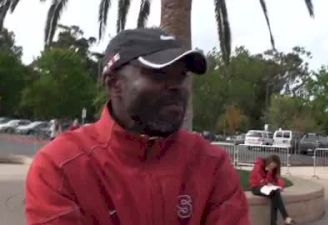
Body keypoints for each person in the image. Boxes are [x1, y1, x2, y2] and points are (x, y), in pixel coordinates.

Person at [25, 28, 250, 225]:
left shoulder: (211, 164)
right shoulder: (60, 166)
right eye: (158, 74)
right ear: (114, 83)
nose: (175, 86)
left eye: (181, 76)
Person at [249, 155, 294, 225]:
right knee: (275, 194)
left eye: (273, 166)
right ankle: (286, 217)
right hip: (256, 187)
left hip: (267, 188)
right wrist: (267, 181)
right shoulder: (259, 164)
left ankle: (275, 222)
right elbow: (259, 178)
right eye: (271, 165)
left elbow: (279, 180)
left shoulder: (272, 170)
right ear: (268, 162)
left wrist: (279, 186)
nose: (272, 167)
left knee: (275, 194)